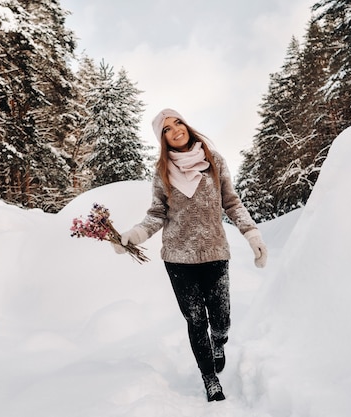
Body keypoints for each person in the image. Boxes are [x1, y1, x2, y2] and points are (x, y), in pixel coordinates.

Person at [113, 108, 268, 402]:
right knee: (196, 320)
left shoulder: (214, 161)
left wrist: (252, 234)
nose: (175, 130)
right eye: (167, 129)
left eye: (177, 123)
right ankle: (209, 378)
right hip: (179, 259)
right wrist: (134, 235)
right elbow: (156, 214)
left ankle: (218, 342)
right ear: (163, 139)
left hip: (214, 252)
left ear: (186, 125)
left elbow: (232, 203)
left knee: (221, 319)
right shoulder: (162, 173)